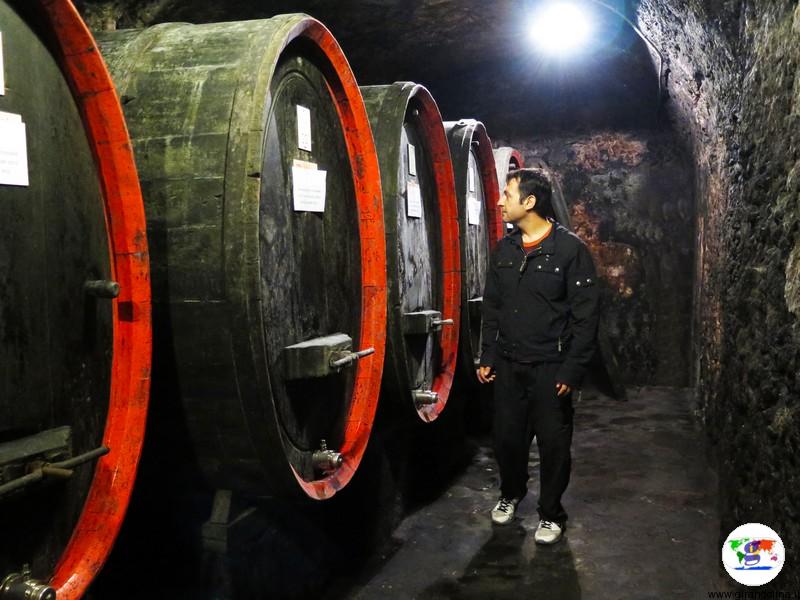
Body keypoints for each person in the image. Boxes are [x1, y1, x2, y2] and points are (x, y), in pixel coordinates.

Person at [476, 167, 599, 544]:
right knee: (507, 440)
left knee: (553, 445)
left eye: (507, 195)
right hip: (510, 365)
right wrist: (487, 356)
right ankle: (511, 493)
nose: (499, 202)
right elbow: (493, 308)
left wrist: (573, 369)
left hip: (551, 367)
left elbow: (585, 316)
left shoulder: (569, 250)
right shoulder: (505, 249)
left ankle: (550, 513)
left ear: (529, 202)